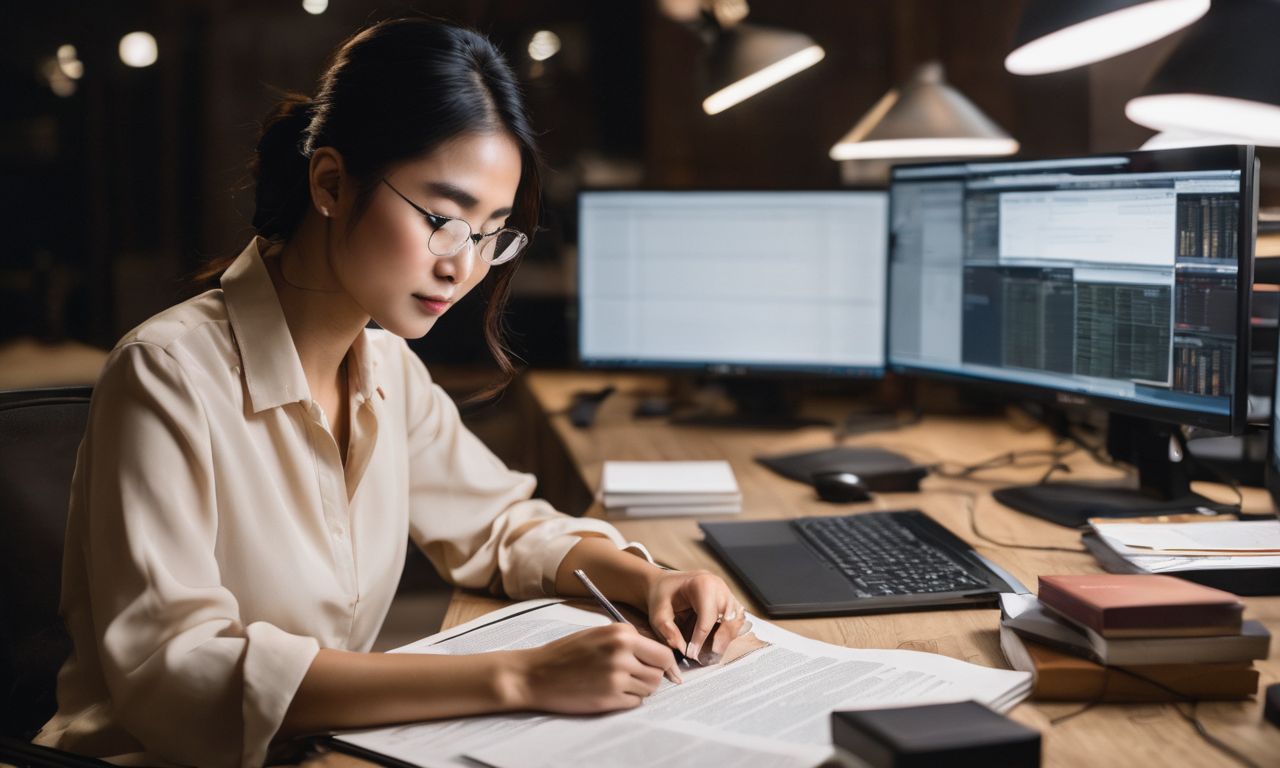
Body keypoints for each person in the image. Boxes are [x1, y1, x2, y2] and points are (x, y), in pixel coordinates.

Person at [34, 18, 746, 766]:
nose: (463, 267)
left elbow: (500, 526)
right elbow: (177, 669)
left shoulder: (386, 367)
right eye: (444, 219)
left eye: (491, 233)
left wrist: (650, 579)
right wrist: (519, 676)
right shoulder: (167, 372)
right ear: (331, 184)